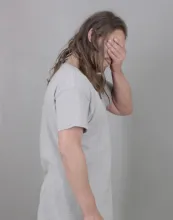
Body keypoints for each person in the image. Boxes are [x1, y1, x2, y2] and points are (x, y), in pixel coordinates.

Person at [38, 11, 132, 220]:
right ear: (91, 36)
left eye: (120, 47)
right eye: (112, 45)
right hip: (72, 210)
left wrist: (117, 68)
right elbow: (69, 147)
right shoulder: (73, 85)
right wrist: (90, 213)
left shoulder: (87, 81)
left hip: (82, 208)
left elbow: (123, 106)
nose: (115, 53)